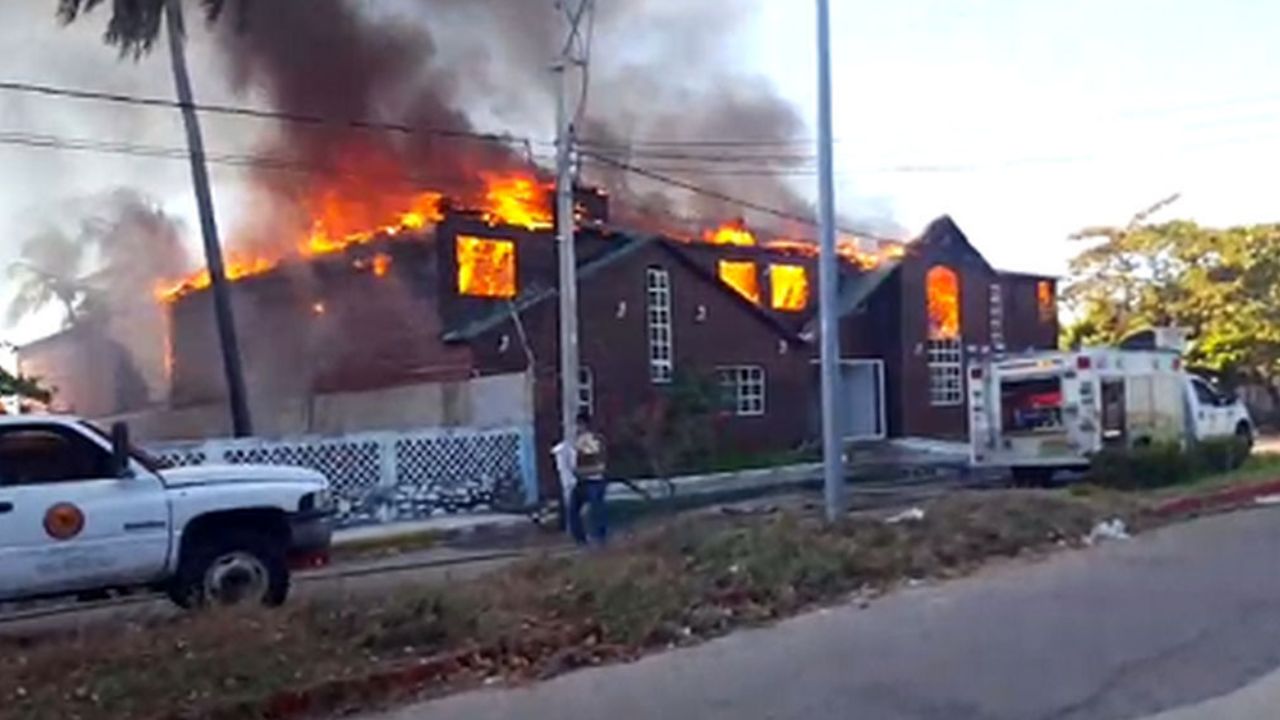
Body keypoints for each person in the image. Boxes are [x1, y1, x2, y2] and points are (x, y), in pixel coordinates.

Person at [566, 411, 609, 545]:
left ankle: (600, 538)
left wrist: (583, 472)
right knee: (573, 509)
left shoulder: (595, 441)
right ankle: (580, 539)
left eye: (580, 425)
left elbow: (600, 466)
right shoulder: (578, 441)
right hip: (582, 482)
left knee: (597, 509)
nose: (578, 428)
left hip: (595, 481)